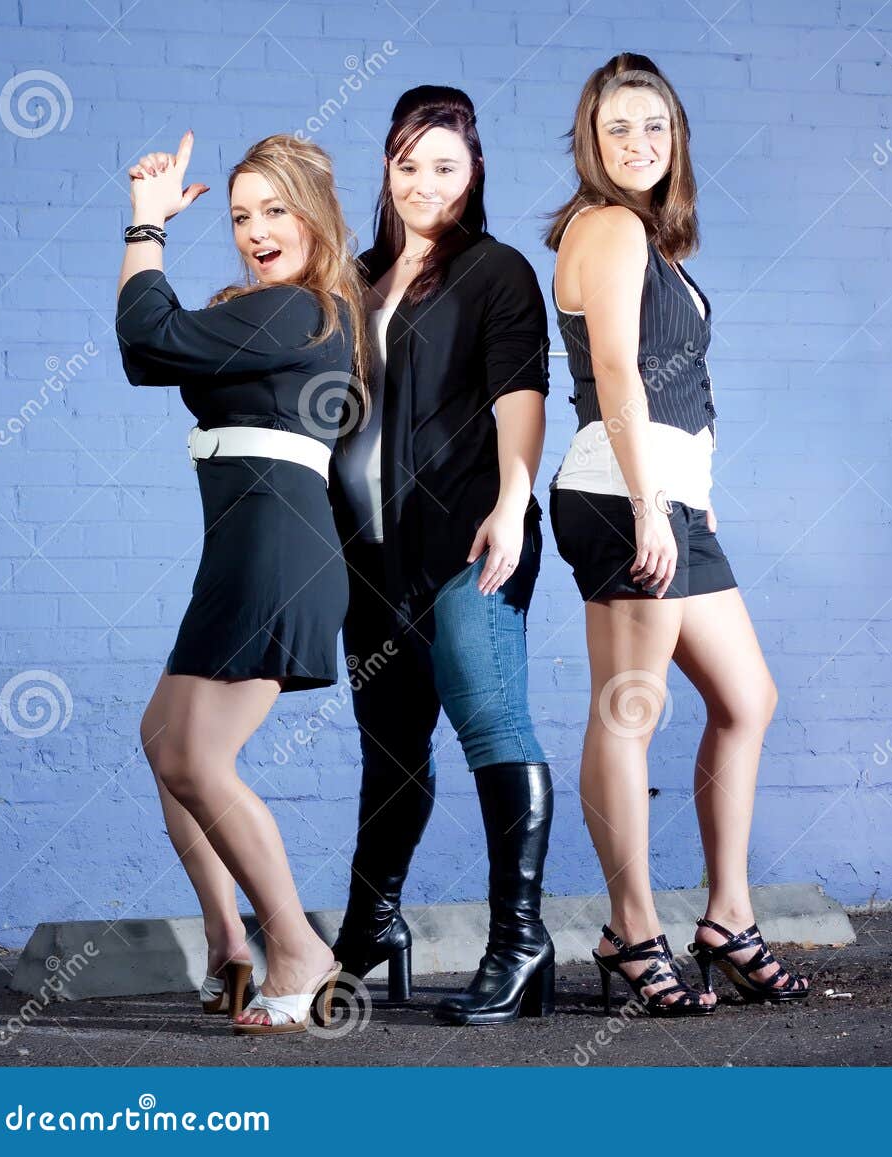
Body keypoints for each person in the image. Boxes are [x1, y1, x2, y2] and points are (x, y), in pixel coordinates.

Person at [546, 54, 811, 1015]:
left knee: (747, 698)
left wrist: (697, 494)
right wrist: (654, 505)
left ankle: (727, 919)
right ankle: (629, 929)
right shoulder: (608, 225)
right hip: (622, 496)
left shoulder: (655, 243)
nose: (638, 143)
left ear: (677, 136)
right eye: (618, 128)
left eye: (654, 125)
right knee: (630, 712)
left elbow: (679, 387)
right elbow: (616, 369)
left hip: (670, 494)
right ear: (592, 140)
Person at [117, 132, 370, 1036]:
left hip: (276, 552)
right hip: (240, 548)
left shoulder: (302, 310)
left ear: (316, 215)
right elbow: (154, 354)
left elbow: (146, 336)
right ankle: (230, 944)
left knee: (197, 758)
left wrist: (145, 224)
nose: (256, 229)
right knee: (164, 740)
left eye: (276, 209)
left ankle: (299, 948)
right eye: (239, 215)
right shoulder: (271, 312)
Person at [327, 85, 555, 1025]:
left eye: (446, 166)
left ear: (476, 172)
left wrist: (513, 503)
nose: (426, 182)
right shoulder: (356, 277)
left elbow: (521, 393)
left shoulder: (495, 270)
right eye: (409, 165)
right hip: (371, 557)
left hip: (470, 538)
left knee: (493, 725)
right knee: (391, 752)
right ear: (388, 169)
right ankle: (370, 925)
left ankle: (521, 941)